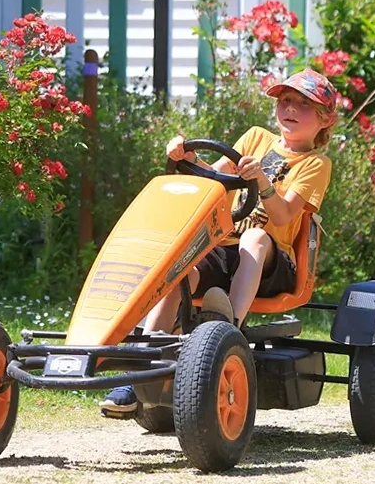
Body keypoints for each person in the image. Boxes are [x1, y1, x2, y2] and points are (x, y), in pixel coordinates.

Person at [99, 68, 339, 417]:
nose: (289, 108)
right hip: (227, 251)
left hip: (274, 264)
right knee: (181, 270)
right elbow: (215, 179)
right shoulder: (256, 138)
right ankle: (138, 371)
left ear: (323, 120)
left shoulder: (315, 163)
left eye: (303, 104)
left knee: (256, 236)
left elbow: (285, 215)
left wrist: (262, 181)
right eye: (285, 100)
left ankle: (229, 334)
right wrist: (188, 158)